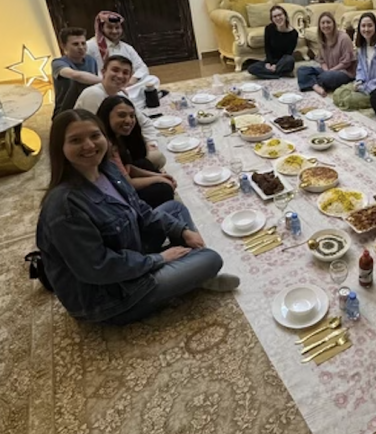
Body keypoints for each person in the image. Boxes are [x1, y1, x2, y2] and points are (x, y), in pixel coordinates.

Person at [37, 109, 239, 325]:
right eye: (76, 140)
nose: (89, 145)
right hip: (108, 296)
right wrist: (158, 259)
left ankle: (190, 270)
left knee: (175, 209)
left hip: (130, 250)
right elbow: (98, 268)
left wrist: (182, 231)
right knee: (211, 259)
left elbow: (140, 209)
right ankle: (194, 274)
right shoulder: (65, 206)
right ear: (60, 148)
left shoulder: (106, 170)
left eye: (95, 136)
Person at [76, 55, 165, 169]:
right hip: (99, 155)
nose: (120, 76)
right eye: (115, 70)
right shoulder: (93, 94)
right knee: (155, 161)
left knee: (156, 155)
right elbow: (98, 137)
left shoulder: (121, 95)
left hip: (121, 146)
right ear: (103, 72)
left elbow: (144, 122)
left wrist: (151, 144)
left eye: (125, 73)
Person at [98, 95, 177, 208]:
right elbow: (127, 183)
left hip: (122, 180)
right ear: (106, 116)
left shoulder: (118, 136)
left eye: (132, 116)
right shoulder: (107, 144)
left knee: (144, 163)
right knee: (163, 189)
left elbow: (127, 168)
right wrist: (159, 179)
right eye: (121, 115)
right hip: (116, 194)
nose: (129, 120)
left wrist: (159, 176)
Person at [334, 12, 376, 110]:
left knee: (347, 100)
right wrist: (359, 81)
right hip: (365, 84)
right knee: (337, 93)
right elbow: (360, 69)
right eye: (363, 26)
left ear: (375, 27)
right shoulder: (362, 47)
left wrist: (364, 88)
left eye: (370, 26)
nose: (366, 29)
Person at [296, 12, 356, 95]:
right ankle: (315, 86)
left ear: (334, 24)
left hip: (344, 72)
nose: (325, 25)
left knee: (326, 78)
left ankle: (311, 82)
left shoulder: (344, 38)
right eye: (323, 23)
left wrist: (330, 71)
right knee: (301, 70)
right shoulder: (322, 39)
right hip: (328, 70)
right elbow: (322, 60)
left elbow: (346, 62)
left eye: (328, 22)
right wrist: (326, 70)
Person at [51, 27, 101, 117]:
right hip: (66, 110)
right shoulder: (58, 63)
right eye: (75, 44)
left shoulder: (91, 60)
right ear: (63, 46)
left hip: (88, 107)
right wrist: (105, 81)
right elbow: (75, 75)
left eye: (83, 43)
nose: (81, 47)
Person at [86, 11, 149, 82]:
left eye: (117, 27)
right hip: (103, 85)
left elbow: (142, 68)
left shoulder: (127, 48)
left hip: (126, 84)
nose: (114, 31)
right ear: (102, 28)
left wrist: (131, 82)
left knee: (152, 79)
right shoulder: (90, 46)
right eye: (110, 27)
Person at [247, 5, 298, 80]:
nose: (278, 18)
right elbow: (267, 48)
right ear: (272, 19)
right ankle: (279, 74)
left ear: (285, 16)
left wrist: (276, 65)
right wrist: (269, 63)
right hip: (271, 60)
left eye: (280, 15)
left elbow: (288, 53)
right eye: (275, 16)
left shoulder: (293, 33)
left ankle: (271, 73)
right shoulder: (269, 29)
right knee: (251, 68)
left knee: (290, 59)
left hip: (283, 62)